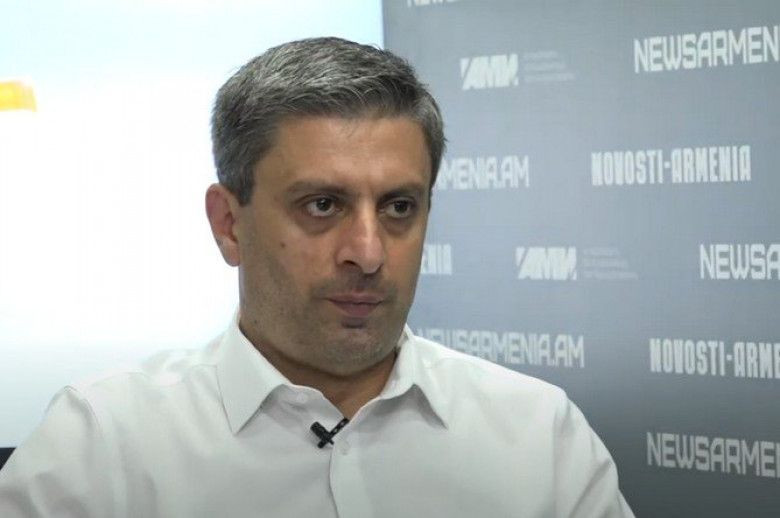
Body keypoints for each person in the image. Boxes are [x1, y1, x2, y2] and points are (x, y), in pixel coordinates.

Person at [0, 37, 634, 517]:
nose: (368, 253)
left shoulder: (540, 440)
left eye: (399, 207)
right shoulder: (99, 449)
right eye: (323, 205)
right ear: (229, 224)